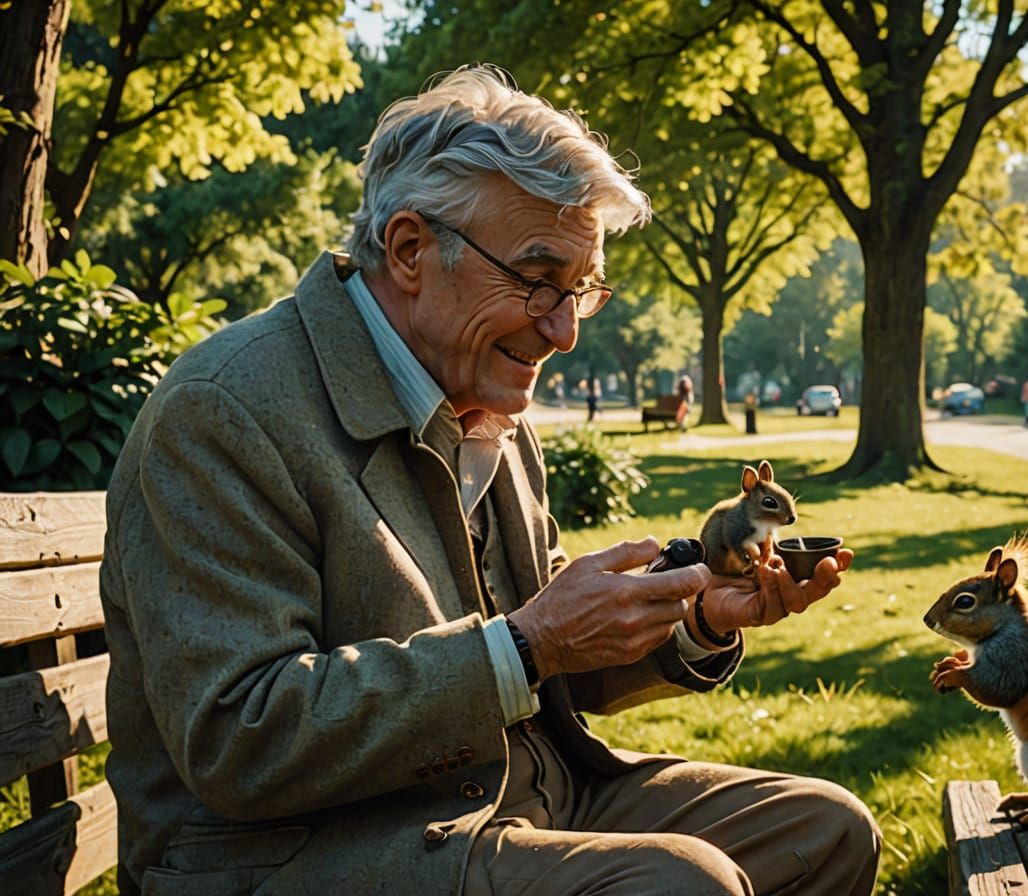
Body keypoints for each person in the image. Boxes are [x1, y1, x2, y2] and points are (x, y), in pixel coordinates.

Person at [99, 64, 880, 896]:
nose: (565, 329)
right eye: (540, 281)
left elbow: (549, 658)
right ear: (409, 251)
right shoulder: (225, 411)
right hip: (304, 854)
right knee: (680, 886)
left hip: (514, 806)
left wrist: (691, 622)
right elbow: (239, 739)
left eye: (581, 289)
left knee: (829, 832)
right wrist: (525, 644)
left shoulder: (481, 399)